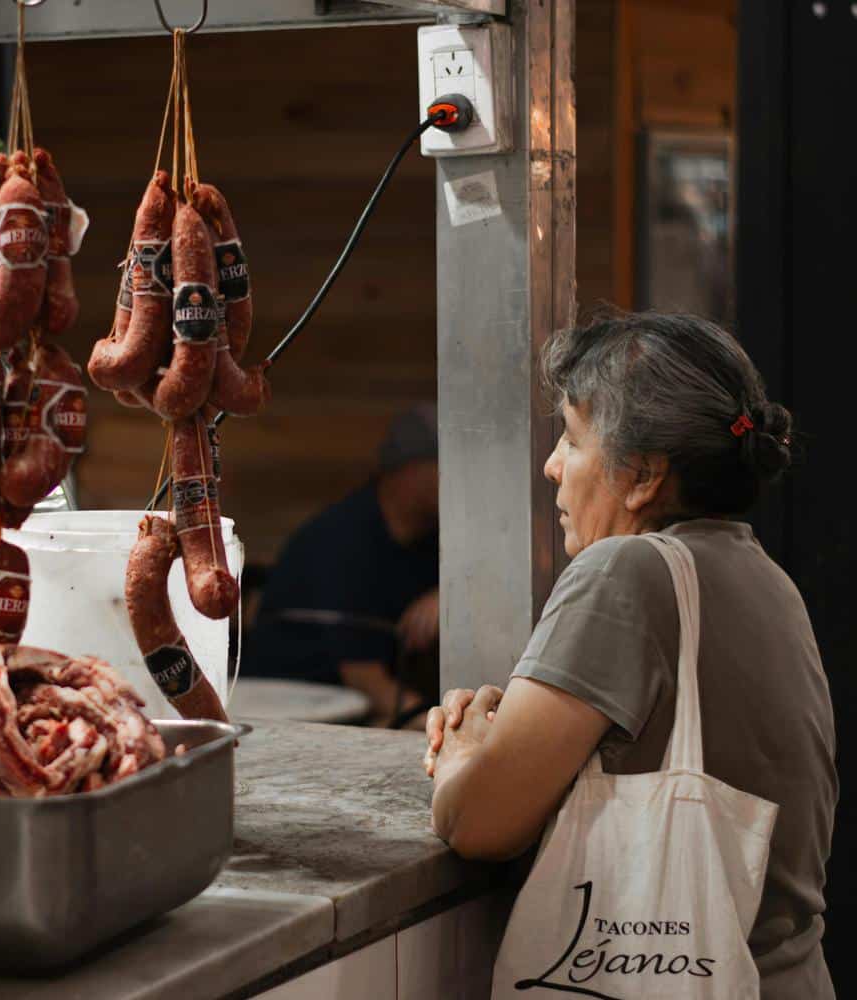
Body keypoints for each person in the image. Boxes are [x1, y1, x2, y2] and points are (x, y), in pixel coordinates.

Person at [423, 312, 835, 998]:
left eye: (572, 439)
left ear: (642, 475)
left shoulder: (626, 572)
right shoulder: (764, 577)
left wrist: (465, 746)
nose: (552, 464)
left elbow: (475, 822)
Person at [244, 403, 439, 728]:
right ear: (410, 469)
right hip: (287, 711)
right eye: (446, 466)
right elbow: (366, 680)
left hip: (346, 705)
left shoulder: (428, 539)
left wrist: (447, 594)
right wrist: (441, 723)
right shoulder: (343, 540)